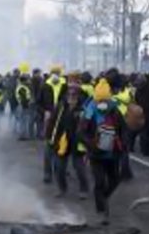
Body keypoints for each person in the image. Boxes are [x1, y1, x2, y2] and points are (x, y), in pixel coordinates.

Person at [79, 78, 127, 225]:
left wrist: (123, 146)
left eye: (104, 100)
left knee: (115, 180)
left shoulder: (115, 110)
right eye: (99, 100)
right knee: (99, 182)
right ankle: (102, 212)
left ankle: (103, 198)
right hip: (96, 155)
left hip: (113, 154)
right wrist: (91, 145)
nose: (102, 104)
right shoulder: (89, 111)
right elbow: (81, 132)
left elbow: (123, 130)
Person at [46, 72, 90, 199]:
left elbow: (90, 123)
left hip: (78, 140)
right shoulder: (61, 104)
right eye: (70, 89)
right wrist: (50, 137)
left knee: (79, 168)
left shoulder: (85, 104)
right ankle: (62, 189)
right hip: (62, 140)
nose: (72, 93)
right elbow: (53, 121)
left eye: (75, 88)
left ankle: (84, 189)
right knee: (59, 168)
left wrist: (89, 140)